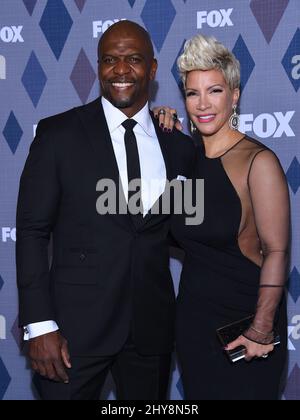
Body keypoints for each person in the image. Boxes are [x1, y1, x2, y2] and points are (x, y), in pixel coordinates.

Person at [16, 20, 196, 400]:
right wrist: (38, 324)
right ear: (98, 67)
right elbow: (32, 232)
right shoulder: (58, 135)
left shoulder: (176, 146)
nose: (121, 69)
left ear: (152, 68)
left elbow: (188, 228)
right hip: (70, 334)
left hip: (150, 332)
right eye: (110, 59)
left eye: (133, 59)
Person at [154, 34, 290, 400]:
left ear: (234, 95)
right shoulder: (185, 158)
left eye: (214, 91)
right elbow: (156, 223)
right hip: (194, 330)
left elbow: (276, 251)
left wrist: (262, 326)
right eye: (192, 93)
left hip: (246, 330)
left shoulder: (257, 162)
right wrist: (157, 136)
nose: (202, 104)